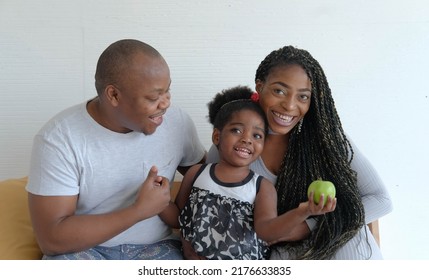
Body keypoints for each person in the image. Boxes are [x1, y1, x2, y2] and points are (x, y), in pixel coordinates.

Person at [25, 39, 206, 260]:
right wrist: (138, 211)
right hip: (84, 251)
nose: (165, 103)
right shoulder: (59, 138)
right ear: (114, 95)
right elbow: (51, 240)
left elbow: (208, 177)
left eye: (167, 91)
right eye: (153, 97)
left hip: (158, 247)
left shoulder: (177, 122)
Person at [207, 46, 393, 260]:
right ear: (260, 86)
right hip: (278, 251)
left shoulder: (327, 138)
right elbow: (208, 204)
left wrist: (307, 226)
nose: (289, 105)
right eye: (279, 91)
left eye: (303, 97)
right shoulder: (234, 141)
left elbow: (380, 200)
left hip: (337, 239)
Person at [159, 85, 336, 260]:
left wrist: (302, 212)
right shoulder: (196, 173)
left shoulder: (261, 187)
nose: (246, 139)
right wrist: (160, 199)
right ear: (217, 137)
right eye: (236, 130)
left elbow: (267, 232)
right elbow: (178, 219)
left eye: (257, 136)